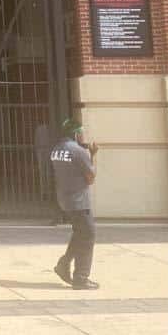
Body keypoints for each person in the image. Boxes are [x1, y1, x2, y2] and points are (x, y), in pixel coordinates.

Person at [50, 117, 99, 290]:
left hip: (65, 199)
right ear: (76, 134)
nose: (83, 136)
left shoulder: (56, 149)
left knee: (80, 234)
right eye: (81, 133)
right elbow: (91, 177)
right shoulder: (77, 151)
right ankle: (81, 277)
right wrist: (92, 156)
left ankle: (63, 265)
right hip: (79, 201)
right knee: (88, 236)